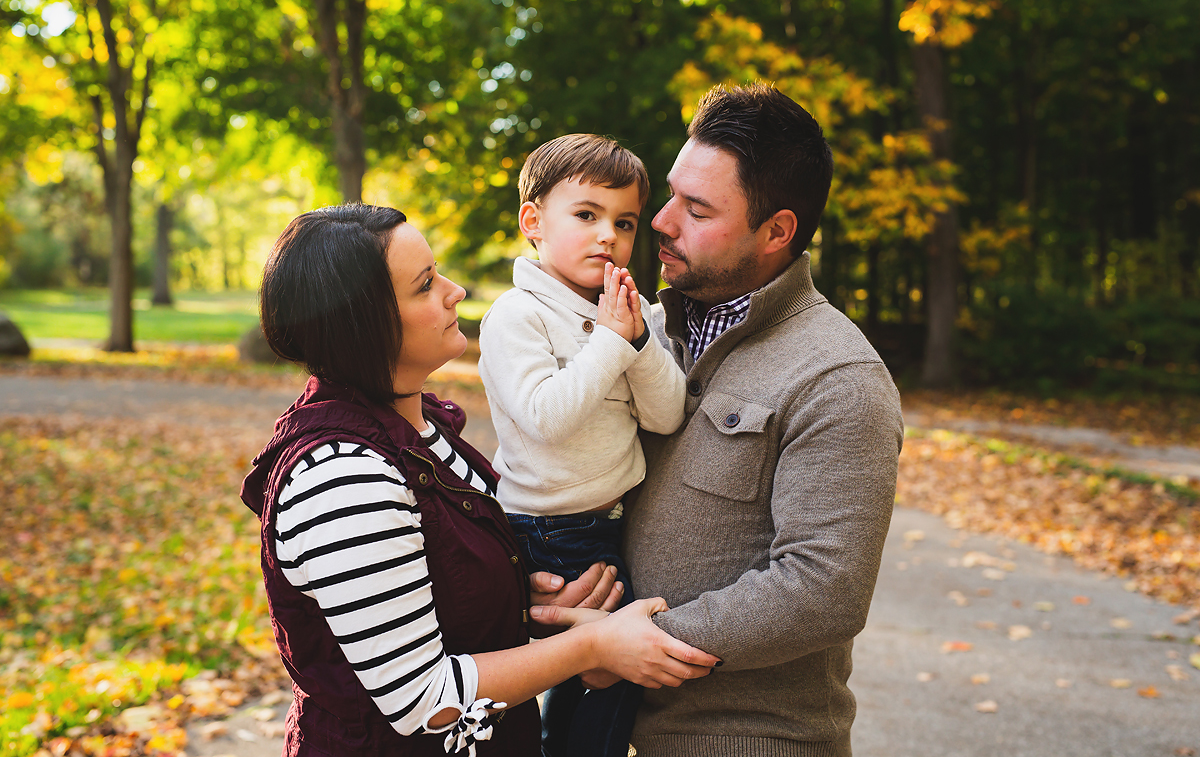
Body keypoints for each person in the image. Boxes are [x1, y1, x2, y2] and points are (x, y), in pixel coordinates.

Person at [238, 203, 717, 757]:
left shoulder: (421, 428)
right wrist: (593, 647)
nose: (455, 291)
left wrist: (527, 604)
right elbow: (425, 700)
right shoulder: (343, 477)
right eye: (425, 286)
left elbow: (441, 589)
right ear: (361, 322)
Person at [624, 84, 904, 756]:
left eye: (697, 209)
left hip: (746, 740)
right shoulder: (652, 334)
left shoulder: (839, 377)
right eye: (671, 194)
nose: (661, 220)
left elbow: (823, 590)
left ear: (777, 231)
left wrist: (634, 646)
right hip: (615, 728)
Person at [477, 134, 686, 757]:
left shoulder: (629, 312)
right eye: (587, 215)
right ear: (533, 222)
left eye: (623, 223)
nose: (607, 236)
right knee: (613, 676)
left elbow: (668, 413)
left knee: (588, 686)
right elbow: (547, 419)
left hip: (607, 522)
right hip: (549, 528)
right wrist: (612, 342)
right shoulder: (517, 316)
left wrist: (637, 339)